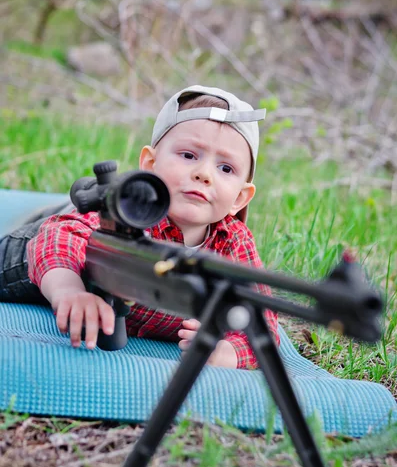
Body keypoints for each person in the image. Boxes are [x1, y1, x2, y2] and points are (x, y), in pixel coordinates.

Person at [24, 85, 279, 369]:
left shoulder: (233, 242)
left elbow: (261, 315)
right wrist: (69, 291)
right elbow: (60, 238)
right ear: (150, 163)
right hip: (44, 265)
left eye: (226, 169)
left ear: (240, 198)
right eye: (189, 155)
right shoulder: (132, 211)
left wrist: (230, 351)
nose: (203, 174)